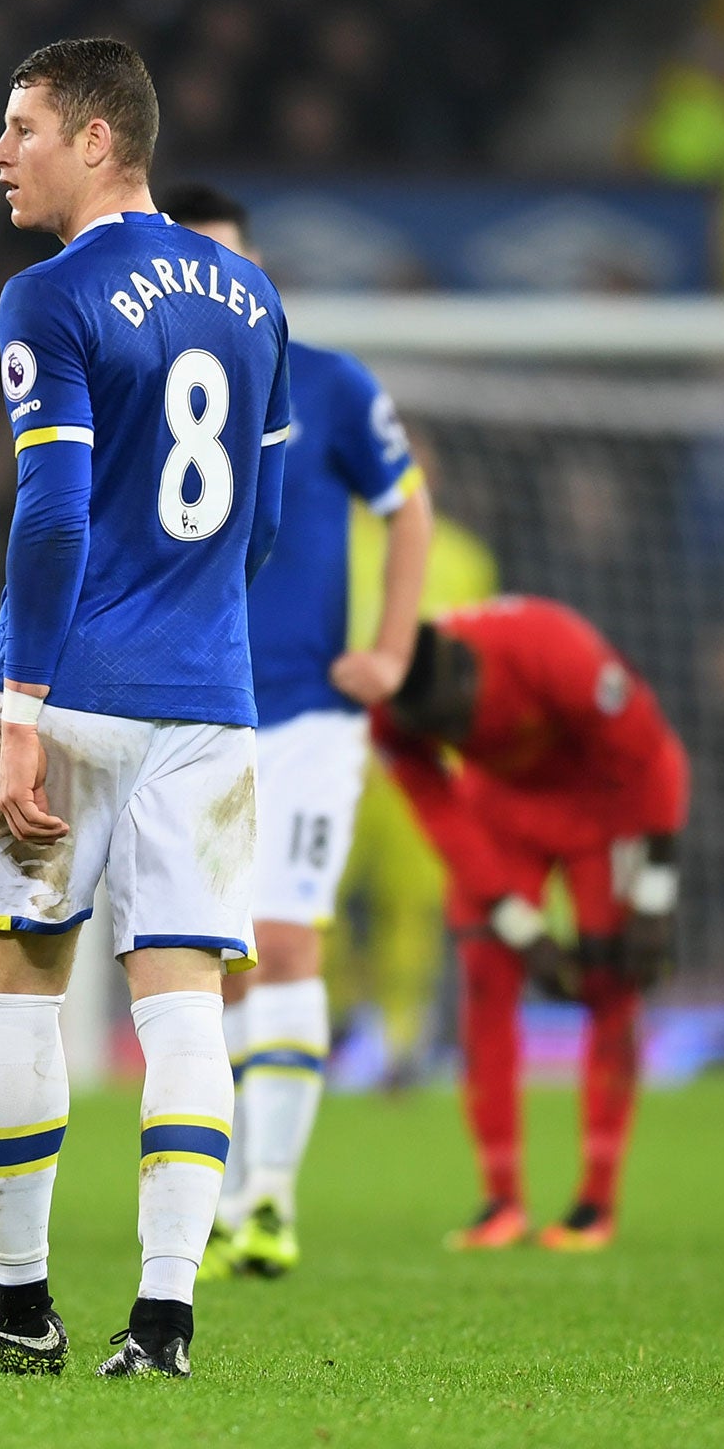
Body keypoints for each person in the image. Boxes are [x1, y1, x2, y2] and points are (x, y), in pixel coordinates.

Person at [0, 40, 289, 1381]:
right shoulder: (252, 297)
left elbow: (58, 510)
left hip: (71, 693)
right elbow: (269, 517)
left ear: (93, 136)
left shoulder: (49, 294)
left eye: (19, 127)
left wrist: (22, 708)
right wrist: (193, 622)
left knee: (16, 990)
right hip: (212, 699)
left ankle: (19, 1310)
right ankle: (166, 1322)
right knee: (184, 1004)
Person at [156, 184, 433, 1281]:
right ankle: (217, 1200)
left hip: (308, 714)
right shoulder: (150, 389)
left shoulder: (328, 382)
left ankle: (267, 1200)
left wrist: (394, 649)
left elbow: (404, 502)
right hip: (185, 706)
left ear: (259, 273)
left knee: (282, 939)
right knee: (197, 965)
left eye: (233, 268)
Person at [373, 596, 689, 1251]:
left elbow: (654, 760)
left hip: (600, 805)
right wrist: (518, 924)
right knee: (486, 976)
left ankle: (594, 1204)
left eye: (457, 721)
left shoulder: (556, 652)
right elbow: (442, 812)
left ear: (470, 676)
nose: (457, 738)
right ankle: (501, 1201)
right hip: (501, 816)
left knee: (610, 980)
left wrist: (654, 896)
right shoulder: (390, 708)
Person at [327, 463, 499, 1091]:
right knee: (320, 898)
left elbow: (474, 664)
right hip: (340, 753)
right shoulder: (332, 538)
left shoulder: (464, 557)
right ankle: (334, 1018)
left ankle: (403, 1039)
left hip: (423, 761)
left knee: (413, 906)